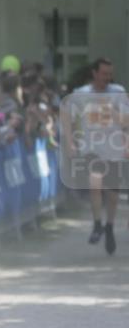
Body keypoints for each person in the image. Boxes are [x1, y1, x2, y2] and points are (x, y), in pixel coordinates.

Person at [64, 57, 128, 255]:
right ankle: (97, 224)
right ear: (94, 73)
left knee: (112, 195)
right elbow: (68, 118)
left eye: (110, 74)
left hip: (113, 148)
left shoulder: (118, 92)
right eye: (103, 74)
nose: (107, 78)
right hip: (91, 147)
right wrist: (70, 142)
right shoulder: (81, 94)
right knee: (95, 183)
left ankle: (109, 227)